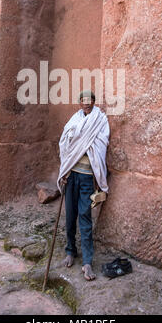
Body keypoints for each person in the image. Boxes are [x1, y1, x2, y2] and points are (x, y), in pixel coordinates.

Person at [57, 90, 110, 281]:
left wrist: (85, 143)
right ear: (80, 103)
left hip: (88, 177)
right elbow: (65, 144)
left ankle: (87, 261)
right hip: (72, 176)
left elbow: (101, 144)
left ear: (94, 102)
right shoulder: (74, 120)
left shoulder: (100, 120)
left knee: (85, 218)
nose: (87, 104)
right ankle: (70, 252)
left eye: (90, 101)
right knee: (70, 216)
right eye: (84, 101)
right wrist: (65, 172)